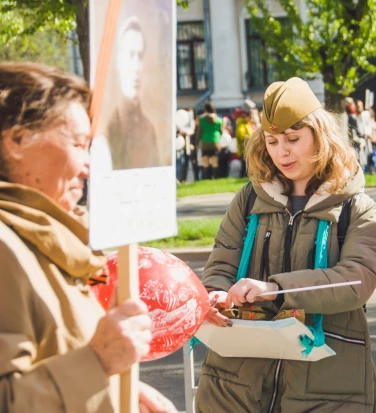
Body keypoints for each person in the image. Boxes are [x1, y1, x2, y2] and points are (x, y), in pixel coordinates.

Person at [195, 77, 376, 413]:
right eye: (271, 141)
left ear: (320, 135)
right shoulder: (249, 198)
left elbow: (356, 280)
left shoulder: (357, 207)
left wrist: (275, 289)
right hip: (237, 385)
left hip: (327, 386)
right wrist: (214, 293)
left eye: (293, 139)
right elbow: (222, 263)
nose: (281, 152)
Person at [0, 62, 178, 412]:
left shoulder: (50, 240)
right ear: (17, 140)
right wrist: (99, 361)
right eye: (79, 144)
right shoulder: (7, 247)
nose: (89, 164)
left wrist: (112, 391)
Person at [106, 16, 162, 170]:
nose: (136, 67)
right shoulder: (109, 124)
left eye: (140, 56)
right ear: (118, 60)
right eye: (130, 55)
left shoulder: (148, 128)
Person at [196, 102, 225, 180]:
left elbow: (199, 132)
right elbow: (221, 132)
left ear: (206, 110)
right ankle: (215, 177)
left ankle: (206, 178)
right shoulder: (219, 120)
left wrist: (197, 143)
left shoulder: (201, 119)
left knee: (205, 161)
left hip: (205, 141)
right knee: (215, 162)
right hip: (215, 141)